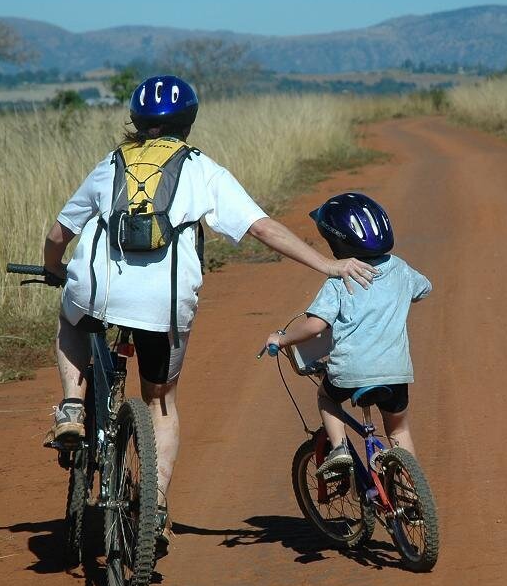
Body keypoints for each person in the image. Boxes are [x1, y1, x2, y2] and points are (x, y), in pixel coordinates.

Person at [42, 75, 378, 550]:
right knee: (160, 402)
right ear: (189, 122)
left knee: (71, 318)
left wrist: (52, 268)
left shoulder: (109, 165)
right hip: (164, 305)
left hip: (99, 295)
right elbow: (260, 227)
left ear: (136, 122)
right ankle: (155, 506)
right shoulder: (201, 170)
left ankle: (73, 405)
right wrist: (327, 263)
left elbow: (60, 234)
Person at [262, 192, 431, 477]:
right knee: (398, 429)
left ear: (336, 243)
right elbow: (424, 289)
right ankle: (413, 494)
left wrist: (281, 338)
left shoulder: (340, 281)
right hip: (396, 372)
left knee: (326, 397)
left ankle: (339, 448)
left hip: (350, 372)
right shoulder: (400, 269)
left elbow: (315, 326)